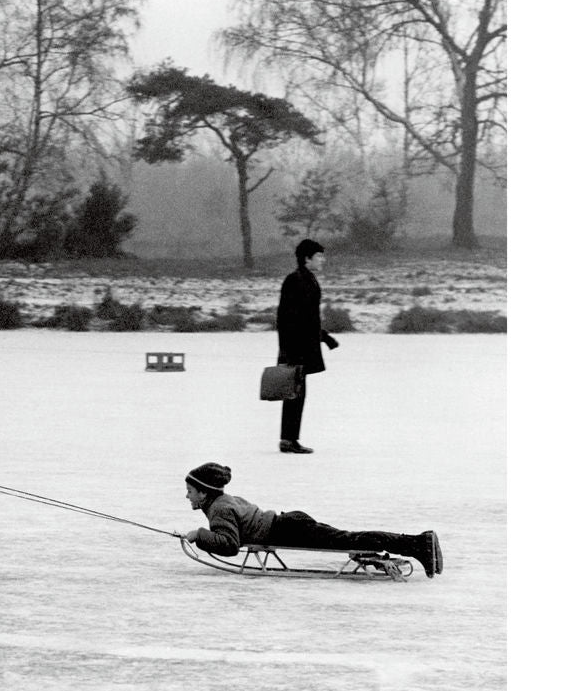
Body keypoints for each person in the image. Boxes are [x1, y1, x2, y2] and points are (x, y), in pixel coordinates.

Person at [181, 462, 443, 578]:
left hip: (287, 530)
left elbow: (229, 544)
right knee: (346, 537)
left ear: (204, 492)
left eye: (191, 491)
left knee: (349, 540)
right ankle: (418, 544)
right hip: (289, 523)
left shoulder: (219, 509)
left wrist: (199, 535)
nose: (187, 496)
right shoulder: (223, 501)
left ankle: (419, 544)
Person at [275, 238, 339, 454]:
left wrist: (324, 337)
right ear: (307, 258)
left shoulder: (308, 279)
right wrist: (288, 351)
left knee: (297, 393)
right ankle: (288, 440)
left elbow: (308, 318)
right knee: (295, 393)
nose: (323, 260)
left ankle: (289, 438)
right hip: (297, 349)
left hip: (303, 347)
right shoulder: (295, 280)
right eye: (319, 256)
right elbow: (287, 318)